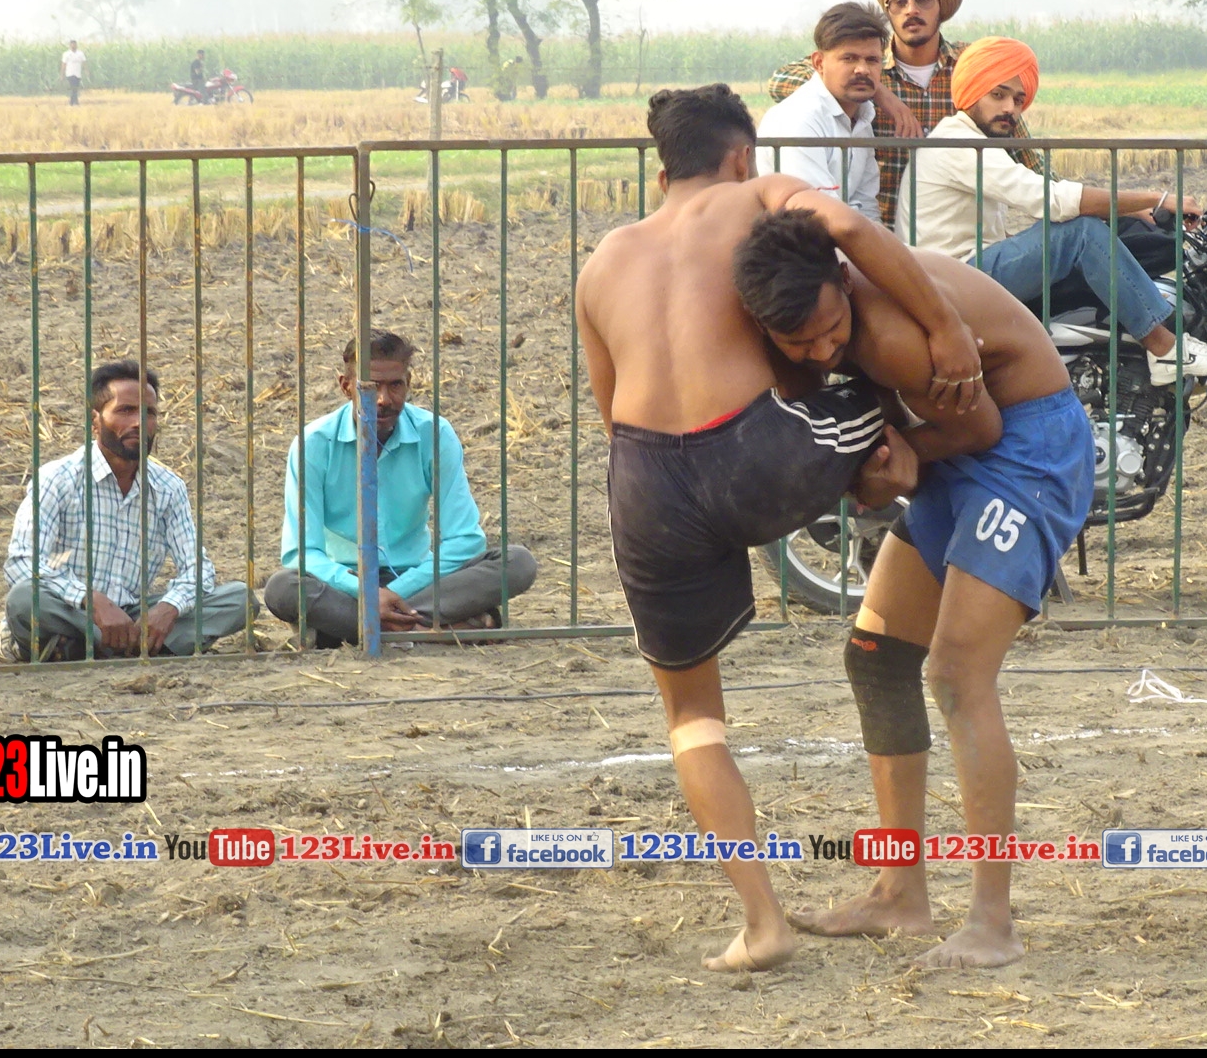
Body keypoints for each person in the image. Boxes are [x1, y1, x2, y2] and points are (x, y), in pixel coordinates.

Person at [575, 83, 984, 973]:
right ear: (741, 156)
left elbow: (611, 415)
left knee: (692, 718)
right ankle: (906, 480)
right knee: (894, 410)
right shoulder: (758, 196)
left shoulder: (603, 260)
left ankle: (762, 923)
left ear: (660, 174)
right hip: (753, 453)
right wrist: (945, 323)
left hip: (644, 483)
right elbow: (852, 231)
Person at [733, 207, 1089, 967]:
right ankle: (900, 894)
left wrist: (883, 467)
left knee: (957, 675)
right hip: (964, 446)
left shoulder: (891, 333)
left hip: (1023, 449)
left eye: (830, 330)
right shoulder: (800, 301)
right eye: (800, 344)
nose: (822, 350)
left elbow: (980, 429)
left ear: (843, 283)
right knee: (877, 656)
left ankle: (992, 924)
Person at [895, 37, 1207, 389]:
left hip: (958, 274)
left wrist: (1134, 211)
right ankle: (1165, 347)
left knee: (1088, 227)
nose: (1010, 109)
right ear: (971, 92)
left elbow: (1044, 199)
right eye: (997, 95)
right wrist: (1157, 198)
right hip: (953, 282)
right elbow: (1050, 200)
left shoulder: (969, 140)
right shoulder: (959, 144)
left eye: (1018, 100)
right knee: (1081, 233)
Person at [264, 331, 537, 648]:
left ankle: (357, 628)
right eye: (371, 387)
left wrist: (392, 593)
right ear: (346, 386)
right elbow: (302, 553)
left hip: (420, 578)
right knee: (282, 588)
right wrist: (365, 592)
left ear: (409, 383)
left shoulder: (433, 433)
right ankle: (425, 629)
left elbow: (464, 540)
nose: (383, 399)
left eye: (395, 385)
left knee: (517, 562)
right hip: (344, 582)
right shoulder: (313, 444)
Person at [4, 360, 250, 661]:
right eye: (125, 411)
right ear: (95, 420)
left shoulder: (168, 488)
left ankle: (94, 648)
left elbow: (197, 569)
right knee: (25, 599)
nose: (138, 423)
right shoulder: (58, 479)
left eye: (149, 413)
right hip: (73, 610)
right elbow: (22, 562)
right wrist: (91, 600)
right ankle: (130, 648)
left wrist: (169, 607)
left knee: (239, 599)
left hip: (132, 615)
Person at [767, 0, 1046, 229]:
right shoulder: (866, 72)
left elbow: (1027, 157)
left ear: (942, 6)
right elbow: (781, 81)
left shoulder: (972, 69)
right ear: (888, 9)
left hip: (958, 240)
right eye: (899, 2)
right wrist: (881, 93)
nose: (911, 10)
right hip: (880, 233)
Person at [756, 3, 890, 222]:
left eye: (872, 60)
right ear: (819, 63)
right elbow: (817, 215)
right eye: (849, 58)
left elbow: (866, 205)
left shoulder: (862, 118)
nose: (863, 69)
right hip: (798, 240)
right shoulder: (800, 118)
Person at [61, 39, 87, 106]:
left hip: (78, 73)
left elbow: (84, 62)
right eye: (72, 45)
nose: (73, 46)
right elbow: (63, 64)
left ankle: (72, 102)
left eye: (74, 45)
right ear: (70, 45)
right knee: (73, 87)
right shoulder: (66, 54)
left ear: (76, 45)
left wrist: (86, 71)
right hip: (70, 73)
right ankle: (76, 102)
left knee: (76, 88)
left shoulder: (80, 53)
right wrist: (62, 74)